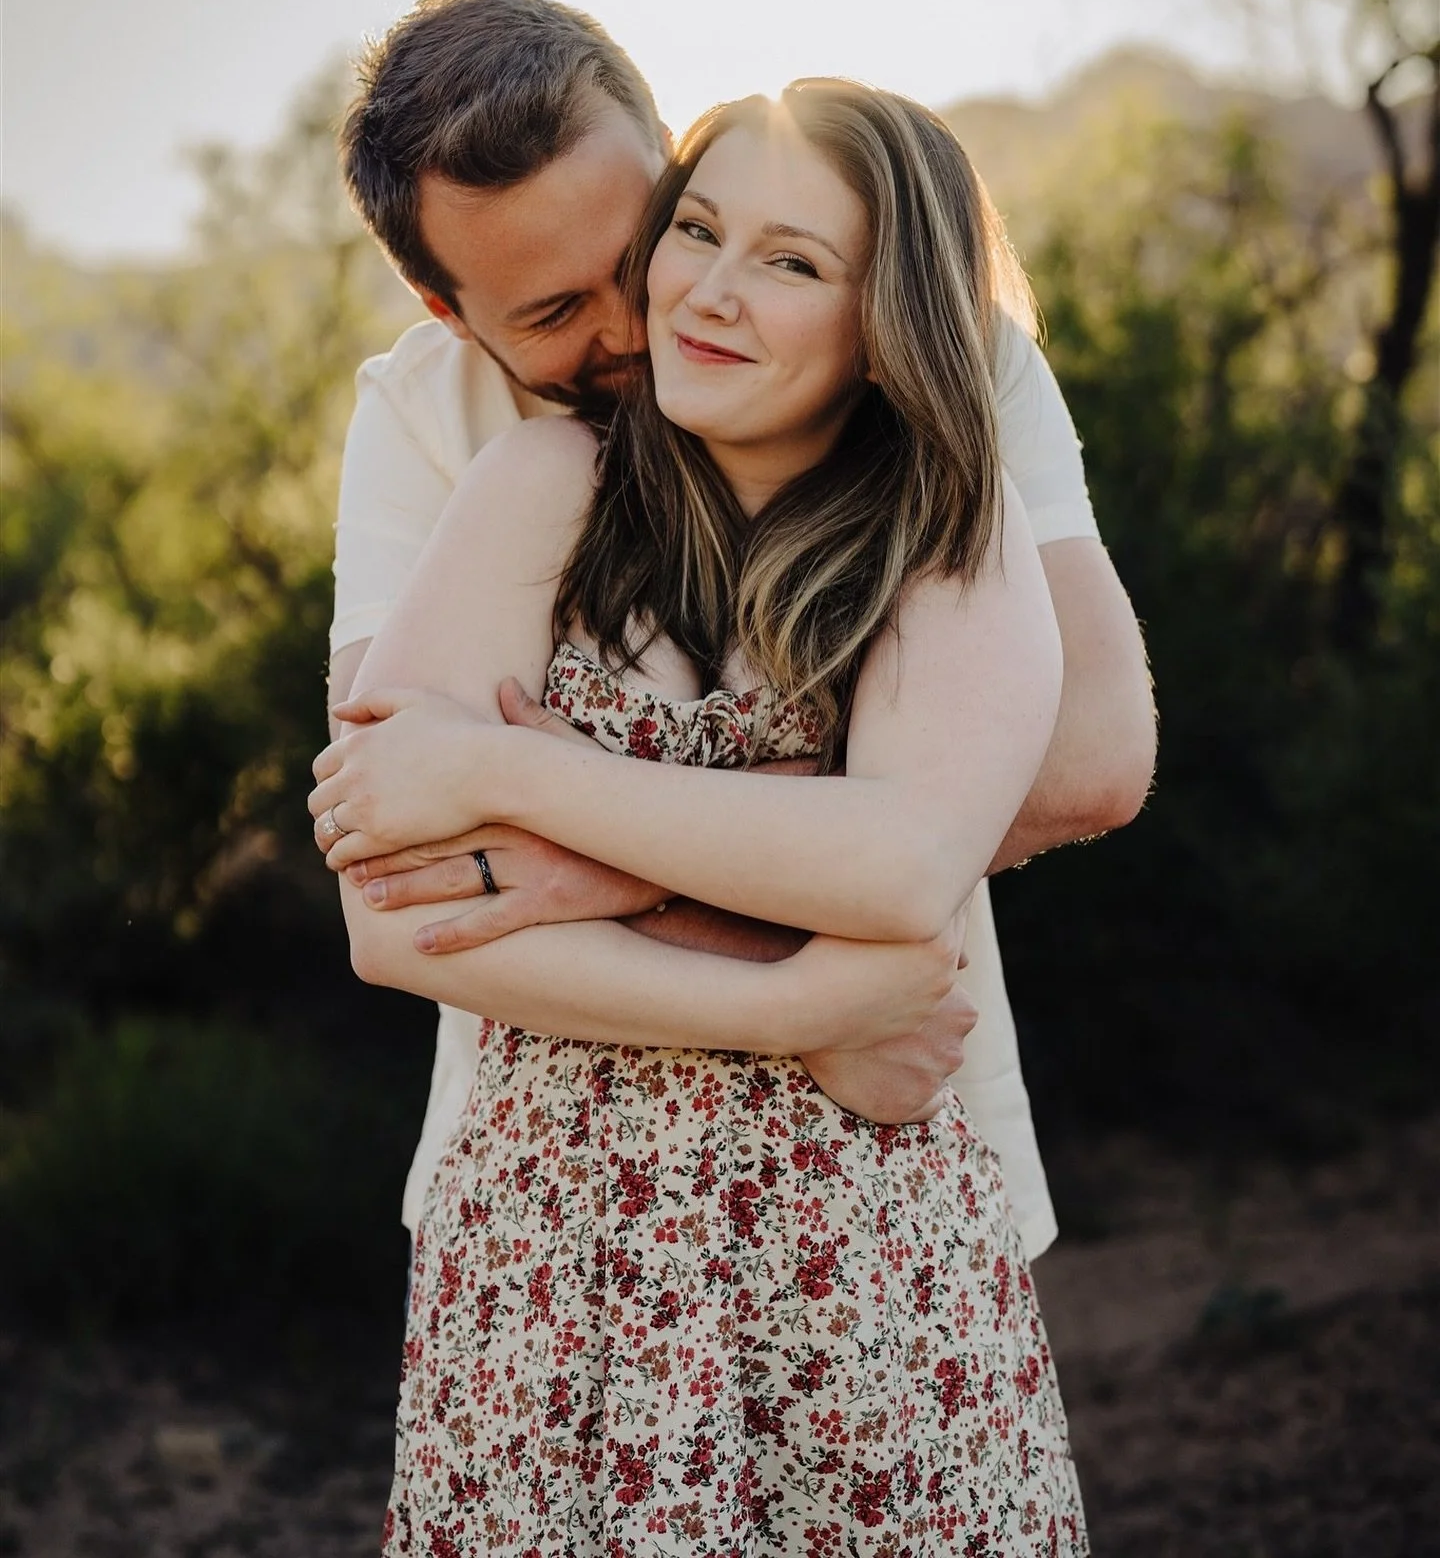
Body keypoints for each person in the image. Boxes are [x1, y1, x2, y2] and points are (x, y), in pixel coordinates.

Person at [313, 77, 1089, 1551]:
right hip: (553, 1258)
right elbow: (388, 917)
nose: (704, 296)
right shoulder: (539, 481)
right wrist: (802, 1007)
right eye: (699, 233)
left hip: (860, 1260)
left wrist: (509, 778)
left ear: (890, 318)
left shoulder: (944, 534)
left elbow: (906, 861)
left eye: (792, 264)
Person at [325, 0, 1155, 1261]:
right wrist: (805, 962)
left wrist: (591, 856)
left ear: (670, 151)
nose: (644, 326)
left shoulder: (941, 351)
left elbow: (1093, 754)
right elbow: (394, 872)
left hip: (898, 1149)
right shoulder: (425, 421)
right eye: (552, 315)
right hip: (555, 1221)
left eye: (641, 245)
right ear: (451, 312)